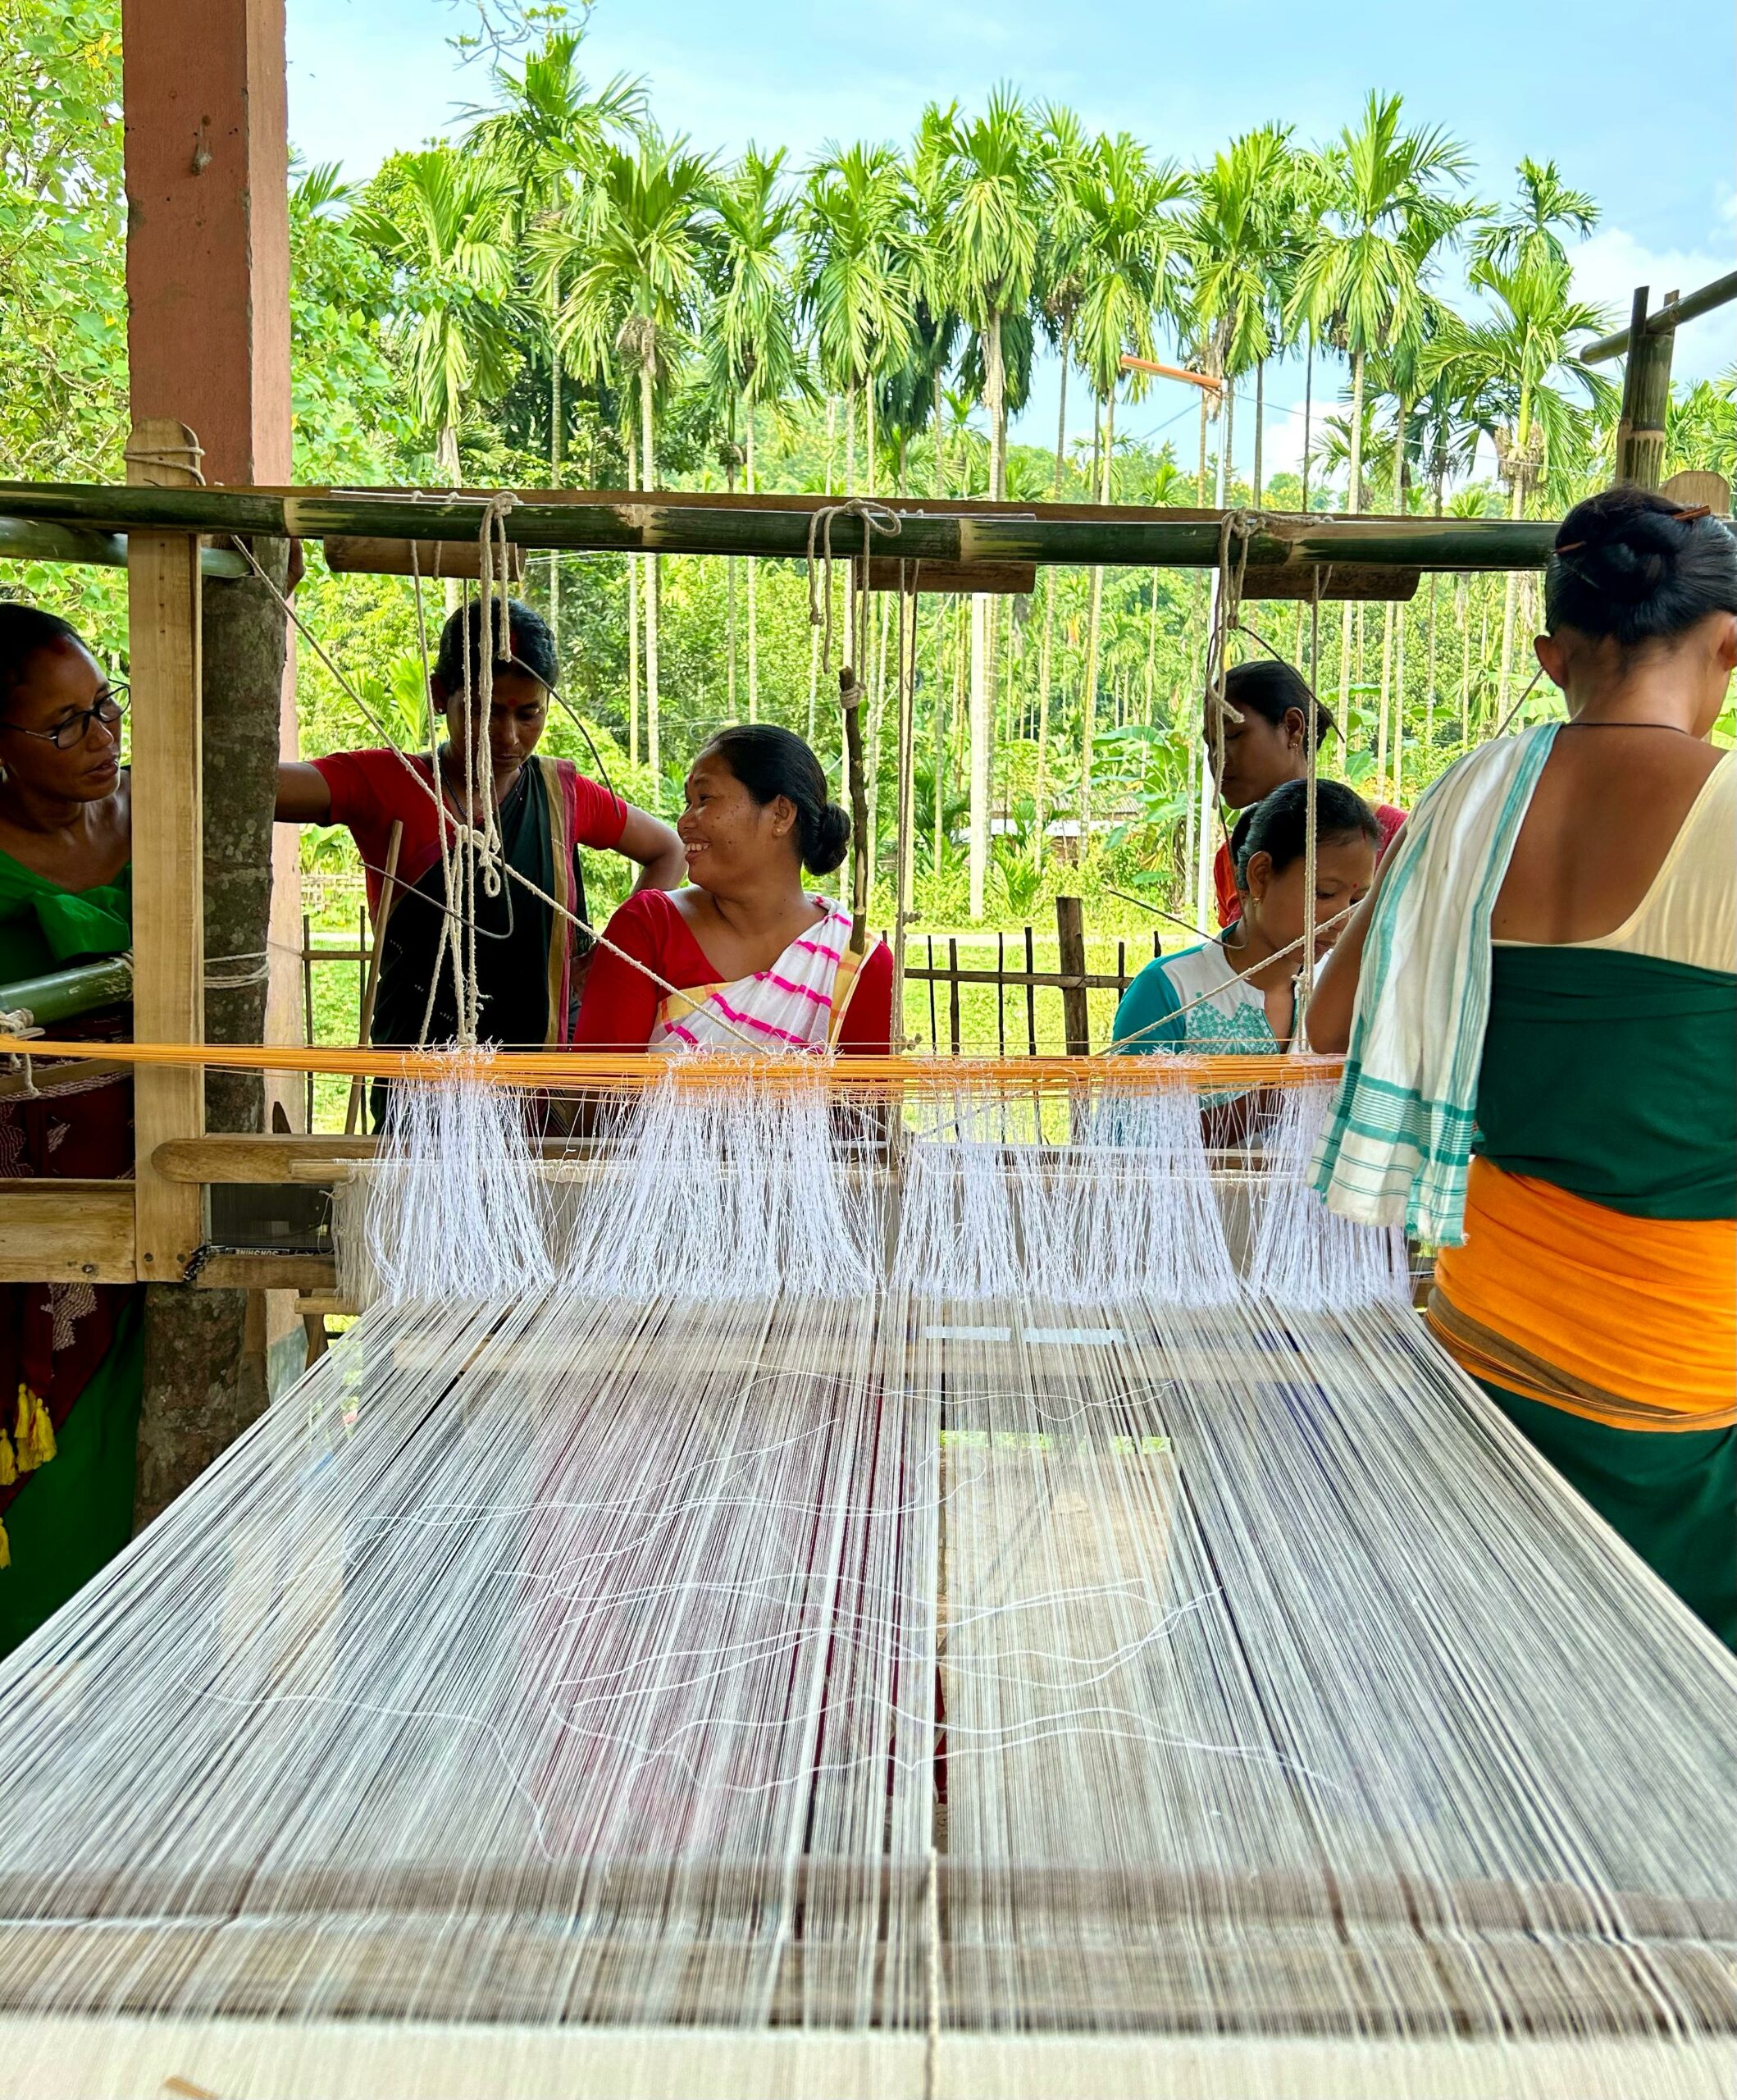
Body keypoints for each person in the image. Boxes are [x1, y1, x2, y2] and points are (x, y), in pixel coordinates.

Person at [1310, 487, 1736, 1646]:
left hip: (1476, 1365)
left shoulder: (1469, 799)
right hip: (1676, 1415)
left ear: (1554, 656)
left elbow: (1332, 1017)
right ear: (1728, 643)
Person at [276, 598, 683, 1070]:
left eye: (528, 714)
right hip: (422, 1078)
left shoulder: (565, 795)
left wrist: (607, 963)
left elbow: (668, 850)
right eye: (483, 712)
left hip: (545, 1082)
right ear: (438, 694)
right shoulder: (387, 784)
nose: (508, 737)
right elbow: (254, 783)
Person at [0, 605, 142, 1655]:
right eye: (65, 726)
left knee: (127, 1441)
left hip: (151, 1173)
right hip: (19, 1218)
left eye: (103, 708)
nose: (101, 740)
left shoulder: (159, 813)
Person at [573, 724, 894, 1053]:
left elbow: (863, 1104)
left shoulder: (854, 962)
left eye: (704, 799)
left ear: (780, 814)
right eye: (688, 802)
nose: (684, 823)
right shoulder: (648, 928)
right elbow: (600, 1098)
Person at [1206, 660, 1405, 928]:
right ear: (1257, 873)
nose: (1217, 758)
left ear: (1292, 726)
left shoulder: (1397, 838)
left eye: (1232, 735)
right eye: (1211, 744)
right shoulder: (1232, 857)